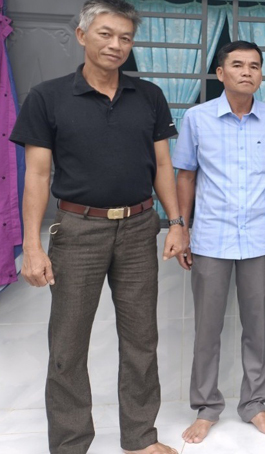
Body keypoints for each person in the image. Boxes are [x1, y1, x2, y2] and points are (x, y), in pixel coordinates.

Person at [9, 1, 183, 453]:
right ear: (82, 35)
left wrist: (177, 222)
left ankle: (140, 438)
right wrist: (32, 246)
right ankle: (70, 444)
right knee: (67, 344)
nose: (116, 45)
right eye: (106, 34)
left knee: (142, 339)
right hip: (77, 231)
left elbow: (163, 165)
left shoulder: (148, 95)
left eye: (125, 37)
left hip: (139, 228)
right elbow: (37, 176)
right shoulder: (47, 97)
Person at [172, 41, 265, 443]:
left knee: (257, 327)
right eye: (237, 65)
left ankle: (254, 403)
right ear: (220, 73)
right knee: (208, 328)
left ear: (261, 74)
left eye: (254, 66)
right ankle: (207, 407)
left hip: (259, 237)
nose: (246, 72)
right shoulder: (197, 118)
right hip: (210, 238)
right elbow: (185, 175)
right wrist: (182, 228)